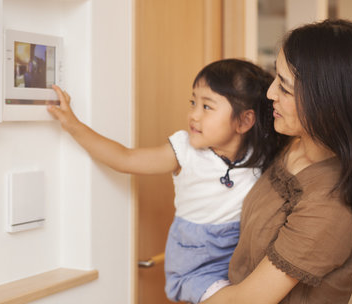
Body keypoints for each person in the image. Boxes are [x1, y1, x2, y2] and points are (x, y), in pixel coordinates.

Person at [47, 59, 287, 303]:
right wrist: (73, 125)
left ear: (244, 121)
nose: (193, 115)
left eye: (207, 107)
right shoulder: (184, 152)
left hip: (237, 258)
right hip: (196, 265)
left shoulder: (261, 157)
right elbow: (124, 158)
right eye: (193, 102)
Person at [202, 19, 352, 304]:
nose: (270, 93)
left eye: (284, 88)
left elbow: (247, 300)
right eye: (275, 78)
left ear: (328, 101)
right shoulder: (293, 143)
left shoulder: (329, 206)